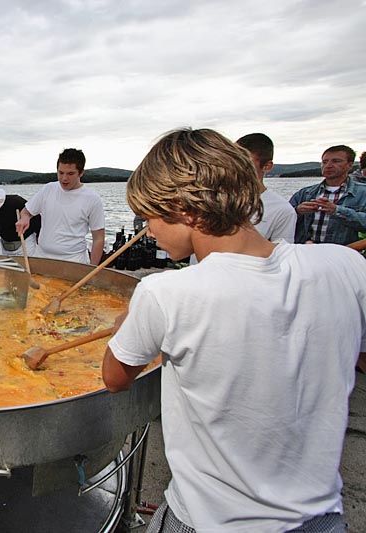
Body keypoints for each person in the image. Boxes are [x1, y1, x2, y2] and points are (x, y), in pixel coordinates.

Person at [102, 128, 365, 532]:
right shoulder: (346, 267)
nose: (148, 231)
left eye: (150, 218)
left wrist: (127, 325)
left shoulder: (167, 291)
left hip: (207, 520)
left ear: (182, 207)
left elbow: (115, 378)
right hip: (320, 519)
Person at [16, 148, 105, 264]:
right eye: (61, 172)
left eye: (70, 174)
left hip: (74, 260)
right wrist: (25, 218)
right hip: (42, 256)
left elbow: (98, 238)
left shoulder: (92, 199)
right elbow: (26, 211)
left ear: (81, 172)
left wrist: (92, 269)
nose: (64, 178)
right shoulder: (48, 189)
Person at [289, 144, 366, 245]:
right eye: (325, 162)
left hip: (344, 256)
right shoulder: (305, 193)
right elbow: (281, 220)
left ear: (350, 165)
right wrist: (297, 211)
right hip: (307, 253)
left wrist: (337, 211)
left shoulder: (362, 193)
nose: (328, 165)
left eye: (336, 161)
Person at [236, 133, 296, 242]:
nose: (236, 167)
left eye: (245, 162)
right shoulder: (214, 199)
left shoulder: (282, 210)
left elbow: (281, 256)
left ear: (267, 166)